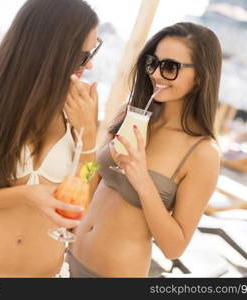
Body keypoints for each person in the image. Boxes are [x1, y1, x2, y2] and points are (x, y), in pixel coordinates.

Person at [0, 0, 101, 277]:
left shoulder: (82, 101)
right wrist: (26, 194)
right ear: (49, 49)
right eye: (82, 55)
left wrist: (90, 133)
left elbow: (83, 197)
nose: (91, 64)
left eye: (92, 51)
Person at [68, 22, 222, 277]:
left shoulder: (203, 153)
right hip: (67, 256)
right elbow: (91, 176)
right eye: (153, 62)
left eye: (170, 67)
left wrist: (142, 181)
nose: (157, 74)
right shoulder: (129, 114)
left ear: (200, 77)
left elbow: (174, 247)